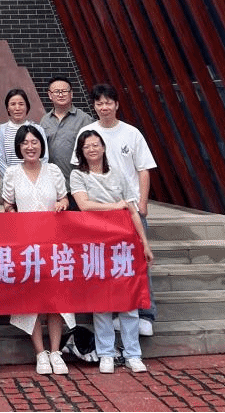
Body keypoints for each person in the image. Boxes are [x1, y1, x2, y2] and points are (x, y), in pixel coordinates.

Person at [70, 129, 153, 373]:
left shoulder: (118, 173)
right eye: (87, 146)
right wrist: (115, 206)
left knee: (129, 300)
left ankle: (133, 354)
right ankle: (106, 352)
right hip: (95, 244)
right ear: (81, 151)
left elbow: (132, 210)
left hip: (123, 244)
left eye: (96, 144)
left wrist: (144, 242)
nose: (92, 149)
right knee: (101, 301)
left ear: (104, 147)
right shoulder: (78, 175)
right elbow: (84, 205)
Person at [84, 83, 158, 335]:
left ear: (116, 104)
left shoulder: (131, 133)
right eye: (99, 103)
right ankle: (116, 311)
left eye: (108, 102)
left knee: (139, 260)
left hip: (130, 209)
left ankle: (146, 314)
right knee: (107, 263)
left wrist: (143, 203)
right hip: (99, 212)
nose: (104, 107)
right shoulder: (88, 133)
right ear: (94, 106)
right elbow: (80, 168)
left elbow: (143, 169)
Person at [2, 124, 73, 376]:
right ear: (19, 147)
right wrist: (13, 214)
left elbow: (64, 198)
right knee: (31, 299)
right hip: (26, 246)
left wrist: (62, 204)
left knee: (55, 298)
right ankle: (40, 353)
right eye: (25, 143)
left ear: (41, 145)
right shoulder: (12, 173)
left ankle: (55, 352)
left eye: (34, 142)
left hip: (53, 243)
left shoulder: (53, 170)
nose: (30, 147)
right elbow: (8, 204)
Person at [39, 76, 91, 196]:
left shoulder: (84, 119)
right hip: (52, 185)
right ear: (50, 95)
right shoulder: (45, 121)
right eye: (57, 92)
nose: (61, 95)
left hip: (79, 186)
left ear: (71, 94)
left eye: (64, 91)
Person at [0, 88, 47, 183]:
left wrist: (33, 179)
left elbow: (44, 157)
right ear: (8, 108)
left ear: (27, 107)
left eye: (21, 104)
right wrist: (13, 180)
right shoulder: (0, 131)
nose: (17, 108)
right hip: (10, 182)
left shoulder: (38, 129)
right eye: (13, 104)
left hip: (35, 181)